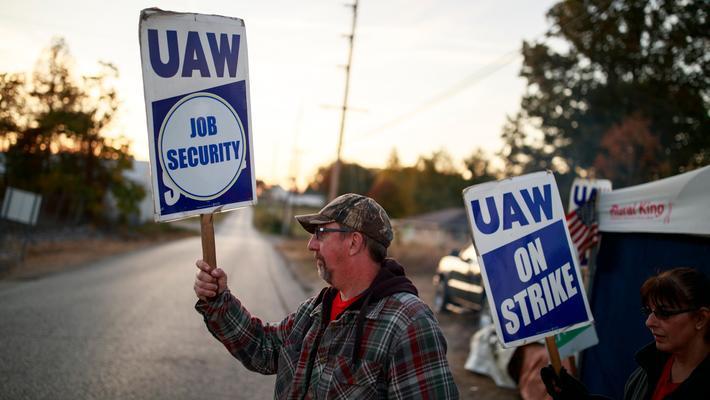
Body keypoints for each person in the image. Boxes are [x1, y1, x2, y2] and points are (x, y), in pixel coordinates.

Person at [193, 193, 459, 399]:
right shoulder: (315, 311)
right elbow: (263, 348)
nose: (311, 244)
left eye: (321, 233)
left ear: (354, 242)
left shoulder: (408, 323)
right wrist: (219, 299)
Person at [541, 267, 710, 399]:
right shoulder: (646, 371)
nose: (649, 322)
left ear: (701, 318)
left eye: (664, 313)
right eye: (648, 311)